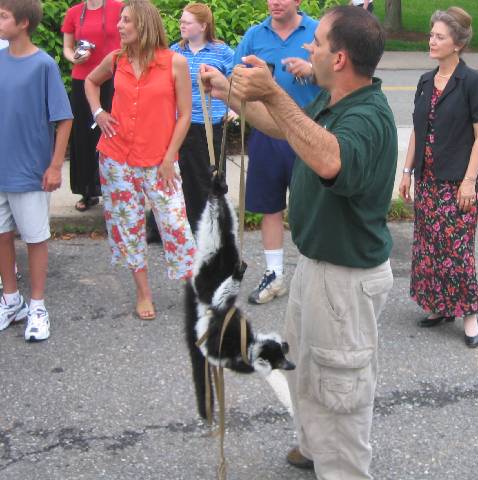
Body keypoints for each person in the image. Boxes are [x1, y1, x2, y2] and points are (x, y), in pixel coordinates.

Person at [201, 6, 395, 478]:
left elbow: (332, 161)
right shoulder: (334, 101)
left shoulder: (368, 117)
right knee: (307, 366)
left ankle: (344, 469)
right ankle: (313, 447)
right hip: (317, 267)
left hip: (346, 279)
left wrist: (272, 90)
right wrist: (227, 92)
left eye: (319, 43)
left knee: (341, 388)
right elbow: (283, 127)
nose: (310, 47)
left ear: (341, 59)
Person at [85, 0, 196, 321]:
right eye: (120, 20)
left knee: (175, 224)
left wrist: (168, 157)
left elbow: (185, 114)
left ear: (144, 24)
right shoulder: (116, 59)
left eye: (126, 21)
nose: (119, 26)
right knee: (127, 226)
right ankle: (143, 293)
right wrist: (99, 113)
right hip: (116, 157)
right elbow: (90, 82)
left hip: (160, 160)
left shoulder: (174, 62)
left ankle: (194, 290)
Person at [399, 7, 478, 348]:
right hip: (428, 179)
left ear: (457, 44)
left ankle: (469, 316)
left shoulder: (473, 82)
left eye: (439, 36)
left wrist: (469, 181)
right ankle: (440, 306)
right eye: (431, 34)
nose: (431, 40)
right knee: (428, 246)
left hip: (458, 182)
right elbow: (417, 130)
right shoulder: (426, 81)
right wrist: (407, 171)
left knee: (457, 251)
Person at [233, 0, 320, 305]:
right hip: (267, 133)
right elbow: (236, 73)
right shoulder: (255, 35)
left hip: (309, 131)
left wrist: (312, 70)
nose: (275, 2)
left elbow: (341, 76)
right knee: (270, 205)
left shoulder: (318, 31)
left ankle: (315, 278)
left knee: (311, 207)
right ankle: (275, 275)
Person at [0, 0, 73, 341]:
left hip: (30, 171)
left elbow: (64, 118)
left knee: (35, 238)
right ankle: (12, 301)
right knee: (1, 236)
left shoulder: (43, 64)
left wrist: (55, 165)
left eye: (4, 16)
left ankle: (38, 305)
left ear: (24, 22)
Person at [146, 2, 235, 242]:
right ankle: (164, 229)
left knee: (205, 178)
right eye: (181, 21)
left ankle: (204, 231)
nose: (181, 25)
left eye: (187, 22)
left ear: (203, 26)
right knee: (172, 176)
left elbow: (235, 83)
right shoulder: (175, 51)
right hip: (176, 124)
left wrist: (232, 109)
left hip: (209, 126)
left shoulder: (222, 52)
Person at [62, 0, 121, 213]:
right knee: (84, 134)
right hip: (83, 78)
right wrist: (75, 58)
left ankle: (116, 189)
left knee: (115, 130)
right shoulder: (74, 13)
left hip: (115, 77)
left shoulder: (119, 7)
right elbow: (67, 47)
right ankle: (87, 190)